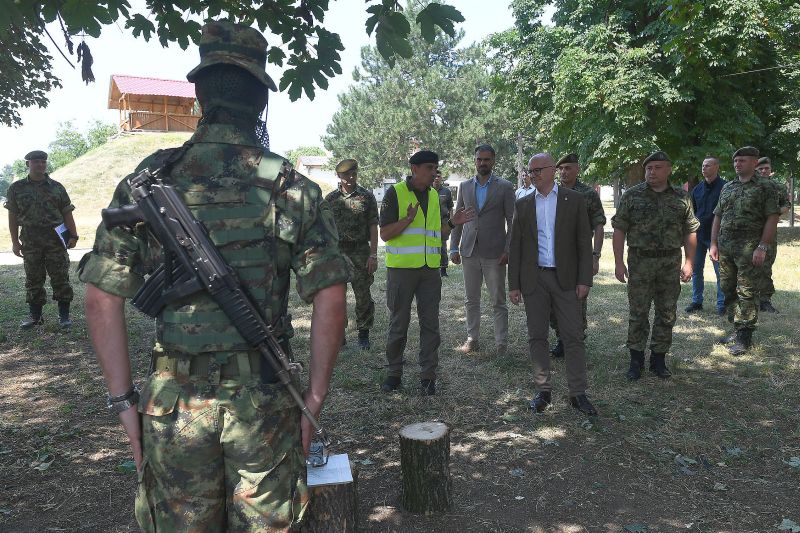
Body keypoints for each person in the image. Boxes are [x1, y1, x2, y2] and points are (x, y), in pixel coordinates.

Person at [79, 21, 349, 531]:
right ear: (260, 100)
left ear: (200, 95)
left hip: (172, 404)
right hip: (265, 404)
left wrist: (123, 404)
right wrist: (312, 398)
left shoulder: (151, 177)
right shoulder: (291, 188)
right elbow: (330, 298)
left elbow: (100, 299)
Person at [508, 153, 597, 416]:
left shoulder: (574, 200)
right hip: (534, 279)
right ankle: (543, 391)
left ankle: (577, 393)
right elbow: (515, 247)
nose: (533, 175)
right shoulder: (523, 204)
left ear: (552, 171)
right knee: (537, 335)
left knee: (573, 336)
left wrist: (584, 280)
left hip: (566, 279)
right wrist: (514, 284)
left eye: (538, 170)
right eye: (531, 171)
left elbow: (583, 242)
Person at [379, 150, 473, 395]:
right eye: (430, 168)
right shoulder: (395, 193)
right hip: (401, 270)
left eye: (435, 168)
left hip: (430, 270)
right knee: (399, 323)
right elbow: (385, 234)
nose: (434, 173)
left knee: (430, 324)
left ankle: (428, 376)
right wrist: (406, 221)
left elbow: (438, 233)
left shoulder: (434, 196)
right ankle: (394, 373)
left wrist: (454, 223)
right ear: (414, 169)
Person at [612, 151, 698, 380]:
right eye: (649, 168)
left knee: (666, 312)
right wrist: (619, 262)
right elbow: (619, 229)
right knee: (638, 312)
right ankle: (636, 361)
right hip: (640, 262)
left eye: (658, 167)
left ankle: (659, 360)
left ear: (669, 169)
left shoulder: (682, 197)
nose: (652, 172)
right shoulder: (632, 195)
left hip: (670, 263)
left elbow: (690, 230)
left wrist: (690, 262)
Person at [711, 147, 780, 355]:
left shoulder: (766, 187)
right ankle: (736, 326)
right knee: (727, 287)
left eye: (742, 161)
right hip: (726, 247)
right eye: (736, 161)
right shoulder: (728, 187)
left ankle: (745, 336)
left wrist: (763, 246)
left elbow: (772, 217)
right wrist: (713, 243)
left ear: (754, 162)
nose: (737, 164)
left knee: (747, 290)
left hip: (750, 248)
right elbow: (718, 215)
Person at [450, 144, 515, 356]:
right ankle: (472, 338)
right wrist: (453, 247)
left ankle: (501, 344)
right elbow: (458, 219)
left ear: (493, 161)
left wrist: (507, 249)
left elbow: (512, 221)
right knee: (471, 299)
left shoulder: (505, 186)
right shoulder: (465, 186)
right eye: (479, 159)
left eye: (486, 159)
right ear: (474, 160)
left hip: (495, 252)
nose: (482, 163)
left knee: (498, 300)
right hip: (469, 250)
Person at [4, 150, 78, 329]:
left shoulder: (57, 187)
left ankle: (64, 317)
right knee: (33, 279)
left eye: (43, 162)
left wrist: (73, 235)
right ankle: (35, 317)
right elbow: (12, 217)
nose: (40, 165)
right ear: (28, 164)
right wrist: (15, 242)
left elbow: (67, 212)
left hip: (56, 241)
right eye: (36, 162)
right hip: (30, 242)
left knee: (60, 277)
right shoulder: (16, 188)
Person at [549, 153, 606, 358]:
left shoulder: (587, 194)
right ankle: (561, 339)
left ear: (577, 169)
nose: (564, 172)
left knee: (576, 301)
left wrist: (595, 256)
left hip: (577, 257)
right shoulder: (551, 192)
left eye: (568, 168)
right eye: (561, 169)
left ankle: (575, 341)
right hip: (552, 257)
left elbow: (598, 225)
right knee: (552, 302)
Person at [326, 158, 379, 349]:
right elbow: (324, 228)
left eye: (353, 173)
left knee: (363, 295)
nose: (350, 177)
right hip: (337, 252)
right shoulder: (330, 200)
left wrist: (373, 255)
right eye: (345, 174)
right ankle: (340, 335)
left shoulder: (366, 197)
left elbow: (373, 226)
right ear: (338, 176)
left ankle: (363, 334)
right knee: (337, 297)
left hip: (360, 251)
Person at [685, 156, 726, 316]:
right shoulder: (697, 189)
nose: (704, 168)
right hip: (698, 236)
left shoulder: (725, 188)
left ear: (716, 167)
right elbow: (692, 213)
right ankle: (697, 301)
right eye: (703, 165)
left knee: (720, 271)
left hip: (717, 237)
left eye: (708, 165)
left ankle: (722, 304)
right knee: (696, 270)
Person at [754, 156, 790, 313]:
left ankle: (765, 300)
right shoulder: (749, 186)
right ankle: (749, 298)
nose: (763, 171)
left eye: (766, 168)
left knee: (766, 265)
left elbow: (786, 205)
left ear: (770, 170)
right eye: (760, 168)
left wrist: (772, 214)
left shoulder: (778, 187)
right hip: (749, 232)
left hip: (769, 232)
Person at [434, 169, 454, 276]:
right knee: (432, 245)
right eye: (435, 176)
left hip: (444, 222)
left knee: (442, 246)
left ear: (441, 178)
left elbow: (451, 207)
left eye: (439, 176)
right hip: (431, 223)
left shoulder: (446, 192)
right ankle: (433, 267)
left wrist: (451, 222)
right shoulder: (427, 190)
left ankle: (443, 270)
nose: (437, 178)